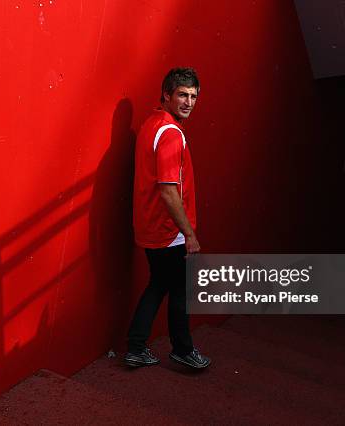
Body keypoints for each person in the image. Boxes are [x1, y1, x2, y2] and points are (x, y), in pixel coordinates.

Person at [124, 67, 211, 369]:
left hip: (150, 225)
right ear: (166, 95)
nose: (189, 102)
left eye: (194, 96)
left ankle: (136, 346)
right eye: (183, 95)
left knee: (159, 284)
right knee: (180, 290)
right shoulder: (172, 134)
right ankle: (183, 350)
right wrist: (189, 234)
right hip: (167, 229)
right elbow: (168, 190)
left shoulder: (152, 123)